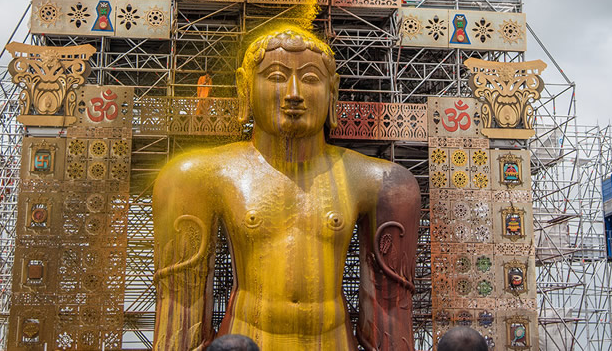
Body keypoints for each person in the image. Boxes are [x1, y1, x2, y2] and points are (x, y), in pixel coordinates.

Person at [153, 26, 419, 350]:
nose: (294, 93)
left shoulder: (380, 182)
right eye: (276, 77)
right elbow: (181, 314)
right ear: (245, 87)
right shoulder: (197, 176)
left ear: (332, 91)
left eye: (309, 79)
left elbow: (389, 315)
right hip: (248, 341)